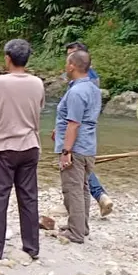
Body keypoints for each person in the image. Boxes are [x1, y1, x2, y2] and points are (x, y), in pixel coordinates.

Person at [0, 39, 45, 261]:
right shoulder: (37, 83)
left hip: (3, 148)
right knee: (29, 198)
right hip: (30, 145)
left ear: (7, 58)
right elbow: (39, 106)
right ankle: (32, 247)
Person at [55, 50, 102, 244]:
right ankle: (81, 226)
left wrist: (66, 151)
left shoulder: (76, 92)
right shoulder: (93, 88)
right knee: (82, 188)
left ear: (72, 66)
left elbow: (74, 123)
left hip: (76, 147)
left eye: (67, 64)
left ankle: (75, 232)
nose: (66, 67)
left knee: (72, 188)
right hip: (89, 145)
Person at [64, 42, 113, 217]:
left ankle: (99, 195)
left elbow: (76, 117)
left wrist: (66, 147)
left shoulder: (84, 80)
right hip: (87, 130)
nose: (68, 60)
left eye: (73, 55)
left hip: (78, 130)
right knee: (83, 167)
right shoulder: (91, 78)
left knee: (77, 169)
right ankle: (97, 199)